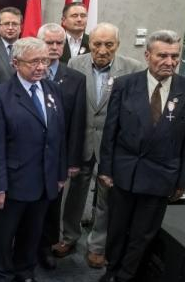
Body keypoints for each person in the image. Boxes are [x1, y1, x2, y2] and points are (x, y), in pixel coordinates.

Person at [98, 30, 185, 282]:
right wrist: (106, 169)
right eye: (162, 55)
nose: (169, 61)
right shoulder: (125, 84)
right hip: (125, 171)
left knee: (144, 231)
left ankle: (128, 277)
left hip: (161, 174)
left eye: (174, 56)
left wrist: (183, 181)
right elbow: (111, 130)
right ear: (148, 56)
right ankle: (111, 269)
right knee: (118, 225)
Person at [53, 23, 143, 266]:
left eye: (109, 44)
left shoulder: (133, 69)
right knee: (73, 194)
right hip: (81, 141)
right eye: (97, 44)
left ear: (117, 45)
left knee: (106, 196)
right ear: (89, 43)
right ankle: (68, 236)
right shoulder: (75, 64)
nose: (102, 50)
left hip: (112, 145)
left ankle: (97, 246)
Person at [0, 37, 67, 282]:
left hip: (44, 178)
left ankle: (25, 270)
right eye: (34, 61)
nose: (41, 66)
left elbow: (58, 136)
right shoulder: (1, 95)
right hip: (13, 180)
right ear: (15, 63)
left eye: (45, 60)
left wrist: (60, 174)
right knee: (5, 232)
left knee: (33, 231)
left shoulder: (52, 90)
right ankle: (2, 275)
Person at [35, 23, 86, 270]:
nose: (55, 48)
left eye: (59, 43)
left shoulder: (75, 78)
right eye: (49, 43)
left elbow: (77, 123)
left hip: (57, 156)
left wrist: (73, 161)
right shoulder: (25, 72)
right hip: (28, 154)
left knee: (52, 206)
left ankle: (45, 248)